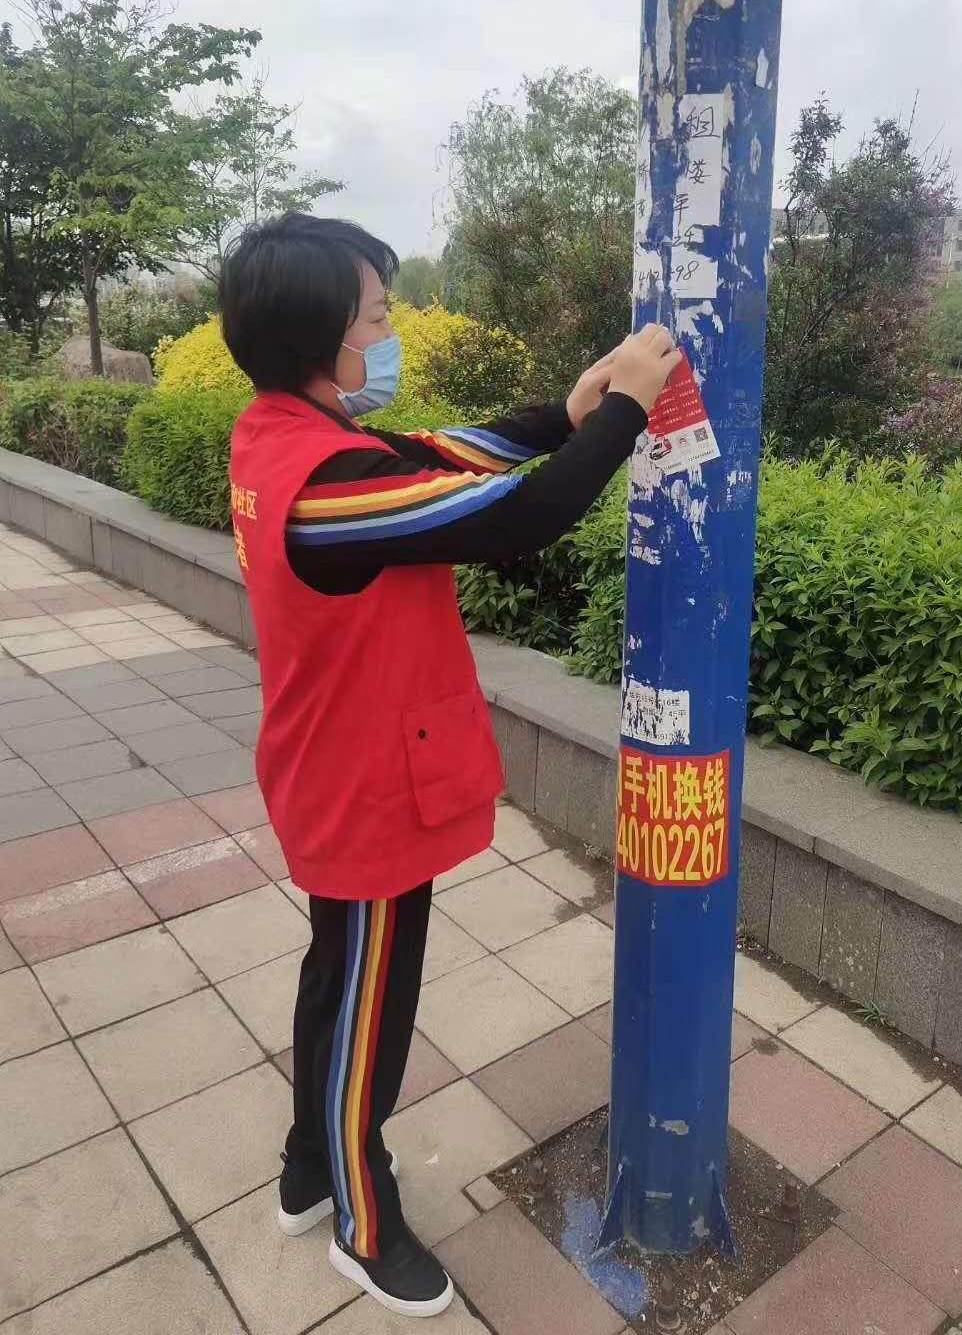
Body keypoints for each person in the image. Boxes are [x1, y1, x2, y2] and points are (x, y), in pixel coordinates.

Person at [221, 211, 679, 1318]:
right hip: (367, 787)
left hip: (338, 765)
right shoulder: (327, 489)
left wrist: (562, 412)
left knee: (340, 978)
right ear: (318, 341)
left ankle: (302, 1167)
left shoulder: (280, 437)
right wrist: (628, 407)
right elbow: (522, 512)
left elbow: (442, 458)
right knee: (369, 1005)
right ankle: (359, 1221)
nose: (391, 332)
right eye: (377, 316)